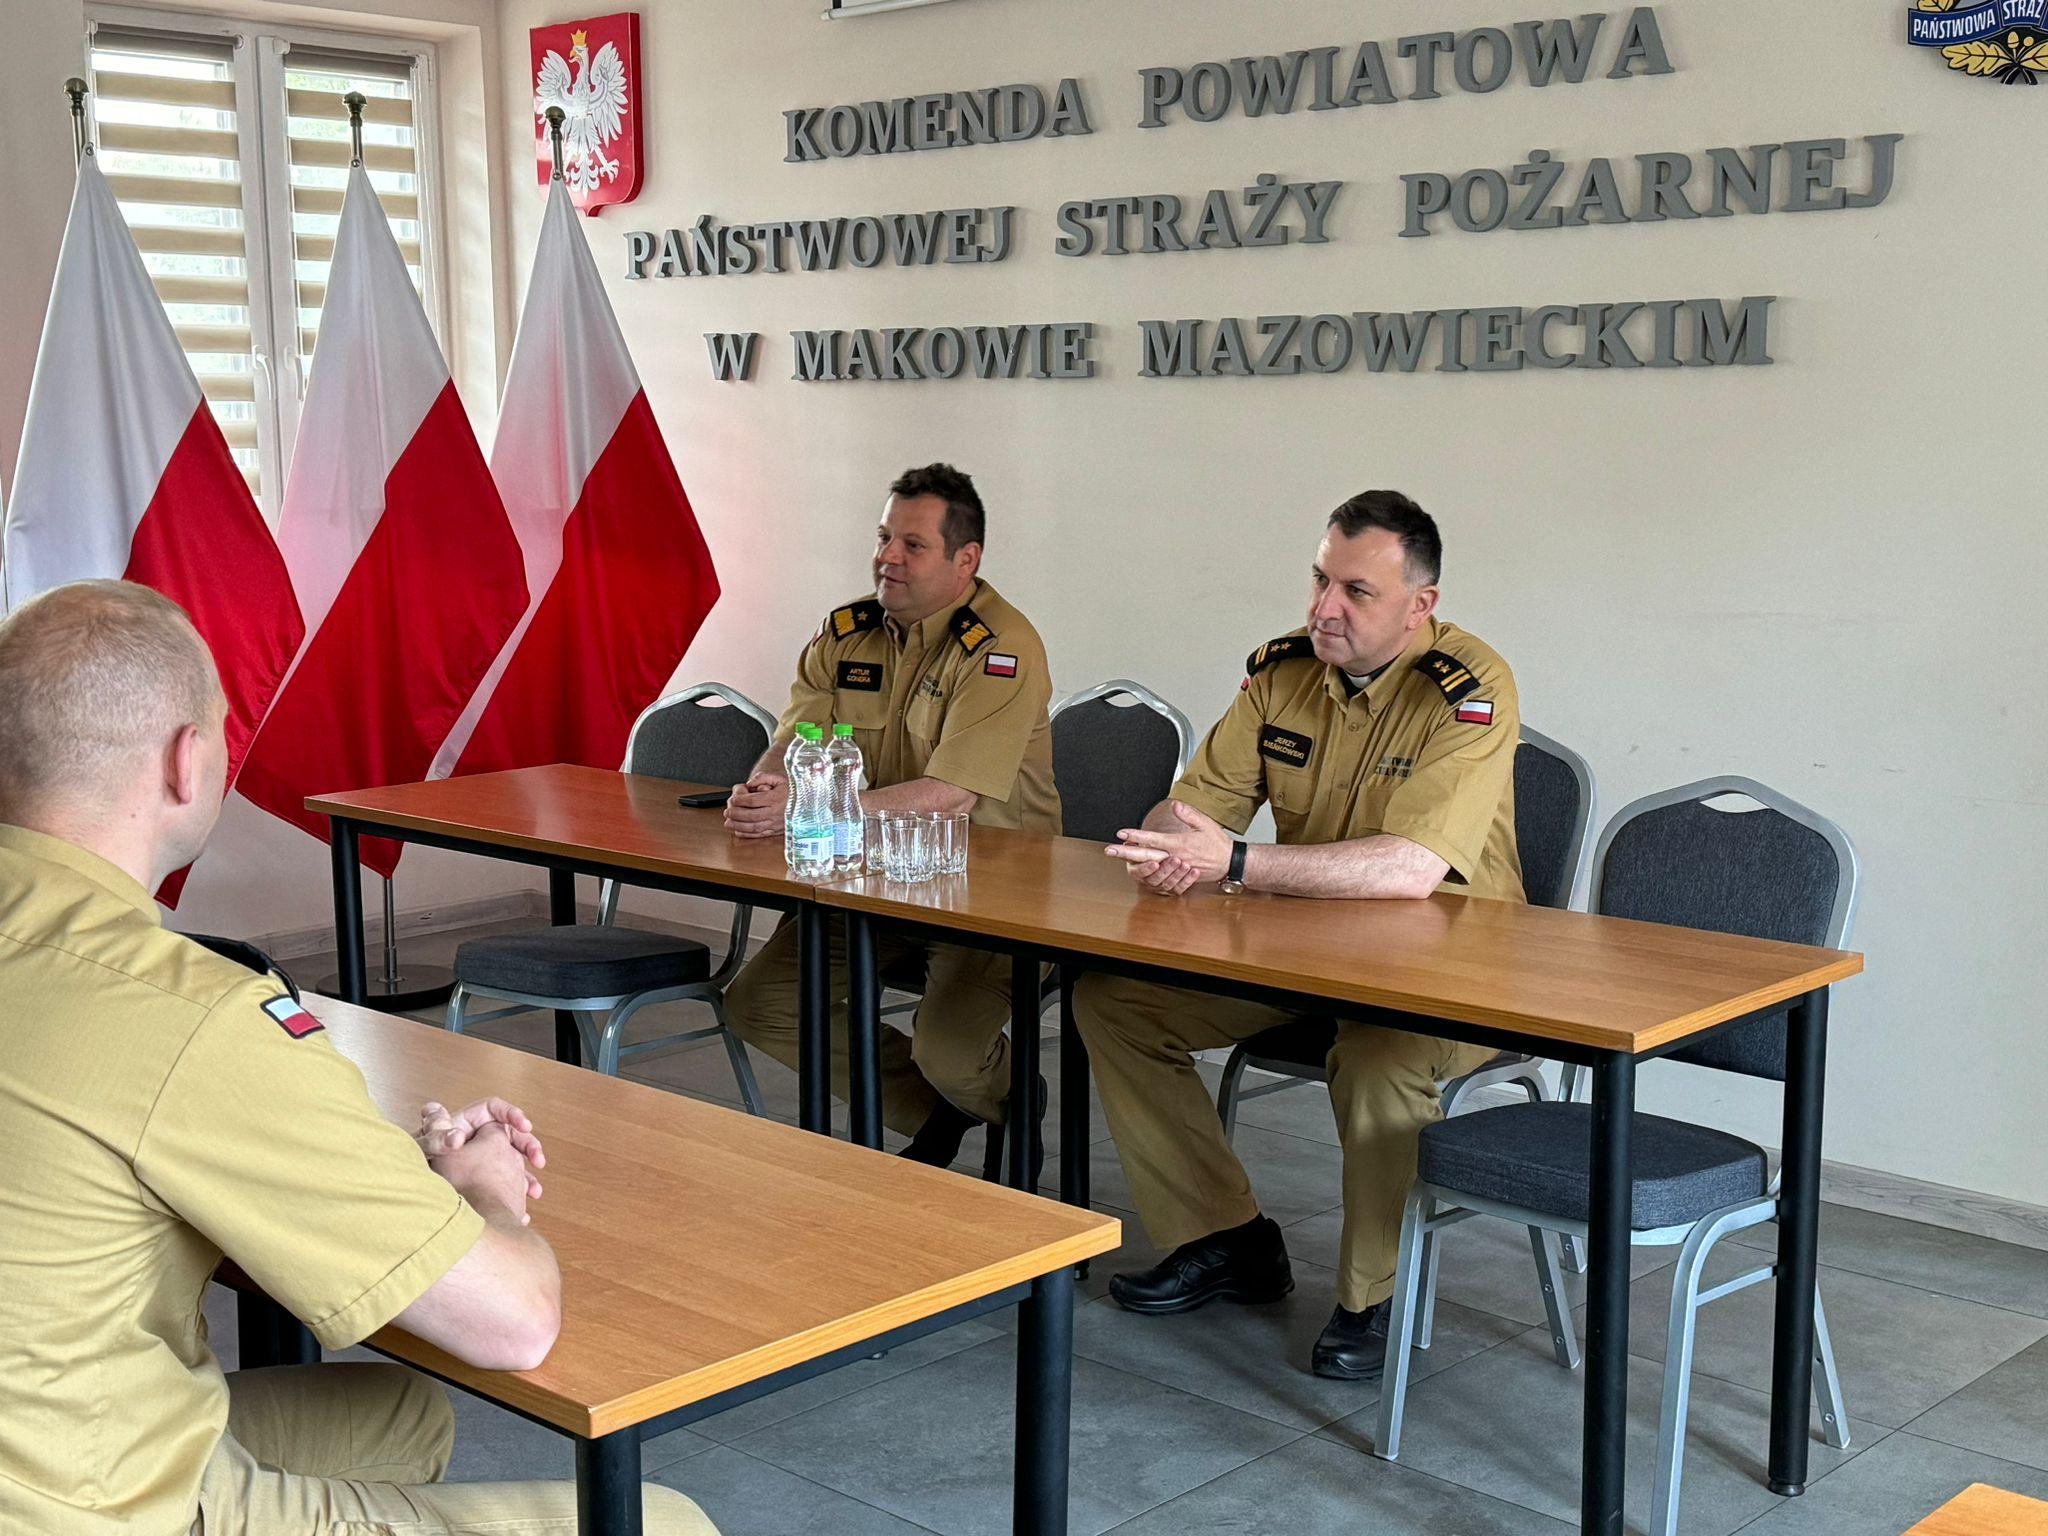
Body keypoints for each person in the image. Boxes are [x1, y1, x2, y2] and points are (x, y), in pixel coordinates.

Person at [0, 580, 714, 1535]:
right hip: (90, 1506)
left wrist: (366, 1173)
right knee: (666, 1522)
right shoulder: (186, 1012)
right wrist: (488, 1193)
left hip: (58, 1419)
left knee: (399, 1414)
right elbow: (514, 1321)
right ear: (185, 760)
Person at [1074, 491, 1525, 1380]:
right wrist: (1168, 846)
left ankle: (1375, 1295)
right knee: (1116, 1002)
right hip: (1304, 950)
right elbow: (1191, 806)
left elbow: (1410, 870)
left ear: (1420, 605)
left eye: (1356, 591)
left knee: (1379, 1058)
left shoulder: (1471, 689)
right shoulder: (1283, 671)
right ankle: (1226, 1238)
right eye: (1320, 580)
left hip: (1454, 977)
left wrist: (1234, 861)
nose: (1324, 608)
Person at [723, 463, 1060, 1164]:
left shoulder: (1002, 648)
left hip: (990, 893)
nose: (888, 558)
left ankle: (1005, 1091)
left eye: (913, 545)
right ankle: (942, 1112)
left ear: (966, 560)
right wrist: (764, 790)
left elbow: (953, 793)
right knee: (761, 1003)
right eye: (883, 538)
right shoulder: (847, 631)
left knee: (950, 1049)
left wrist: (808, 806)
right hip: (872, 877)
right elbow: (795, 738)